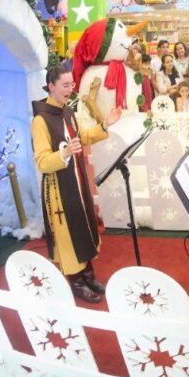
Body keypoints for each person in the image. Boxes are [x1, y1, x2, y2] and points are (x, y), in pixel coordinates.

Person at [32, 64, 121, 303]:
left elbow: (82, 137)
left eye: (71, 84)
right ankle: (76, 282)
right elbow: (41, 162)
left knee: (83, 226)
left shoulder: (68, 112)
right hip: (59, 188)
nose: (70, 89)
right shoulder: (40, 120)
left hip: (77, 181)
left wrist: (105, 125)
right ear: (51, 86)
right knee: (67, 234)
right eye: (64, 85)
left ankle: (88, 274)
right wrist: (64, 153)